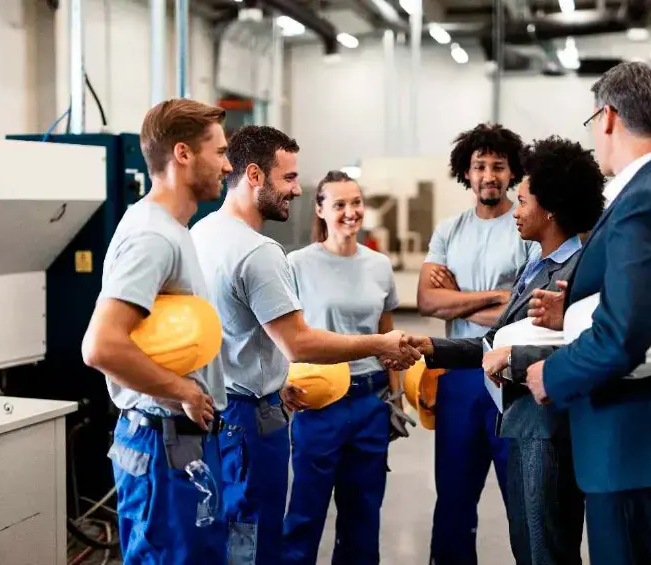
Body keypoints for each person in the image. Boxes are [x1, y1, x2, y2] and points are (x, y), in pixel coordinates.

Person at [525, 62, 651, 565]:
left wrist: (552, 374)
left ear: (608, 117)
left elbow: (624, 337)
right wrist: (571, 314)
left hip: (636, 451)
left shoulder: (645, 202)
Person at [189, 126, 420, 565]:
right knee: (260, 533)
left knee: (237, 529)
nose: (296, 189)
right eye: (289, 178)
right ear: (254, 175)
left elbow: (229, 332)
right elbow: (298, 342)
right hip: (251, 418)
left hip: (223, 406)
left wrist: (276, 385)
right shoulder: (262, 253)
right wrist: (381, 342)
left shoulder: (203, 233)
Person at [402, 136, 605, 565]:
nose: (516, 208)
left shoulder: (576, 272)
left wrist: (511, 354)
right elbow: (494, 337)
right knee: (525, 541)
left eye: (524, 200)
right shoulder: (538, 263)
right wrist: (431, 346)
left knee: (544, 546)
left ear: (550, 209)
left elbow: (585, 347)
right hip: (519, 416)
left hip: (546, 426)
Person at [81, 99, 232, 562]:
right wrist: (182, 391)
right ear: (183, 154)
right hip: (162, 444)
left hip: (178, 443)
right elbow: (101, 345)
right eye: (220, 152)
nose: (228, 164)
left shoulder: (173, 227)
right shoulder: (153, 237)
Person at [417, 123, 540, 563]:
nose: (489, 174)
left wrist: (459, 301)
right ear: (465, 173)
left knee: (524, 500)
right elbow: (427, 300)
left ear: (512, 173)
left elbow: (525, 312)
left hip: (511, 379)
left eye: (499, 166)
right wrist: (495, 298)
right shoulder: (450, 230)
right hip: (459, 377)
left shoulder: (527, 224)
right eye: (480, 166)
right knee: (453, 497)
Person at [281, 170, 402, 565]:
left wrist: (396, 397)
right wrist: (281, 381)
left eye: (356, 203)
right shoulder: (296, 264)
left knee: (363, 516)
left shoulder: (379, 265)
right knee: (305, 512)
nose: (350, 212)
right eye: (339, 205)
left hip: (371, 402)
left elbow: (388, 338)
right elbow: (281, 334)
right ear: (320, 210)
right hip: (318, 404)